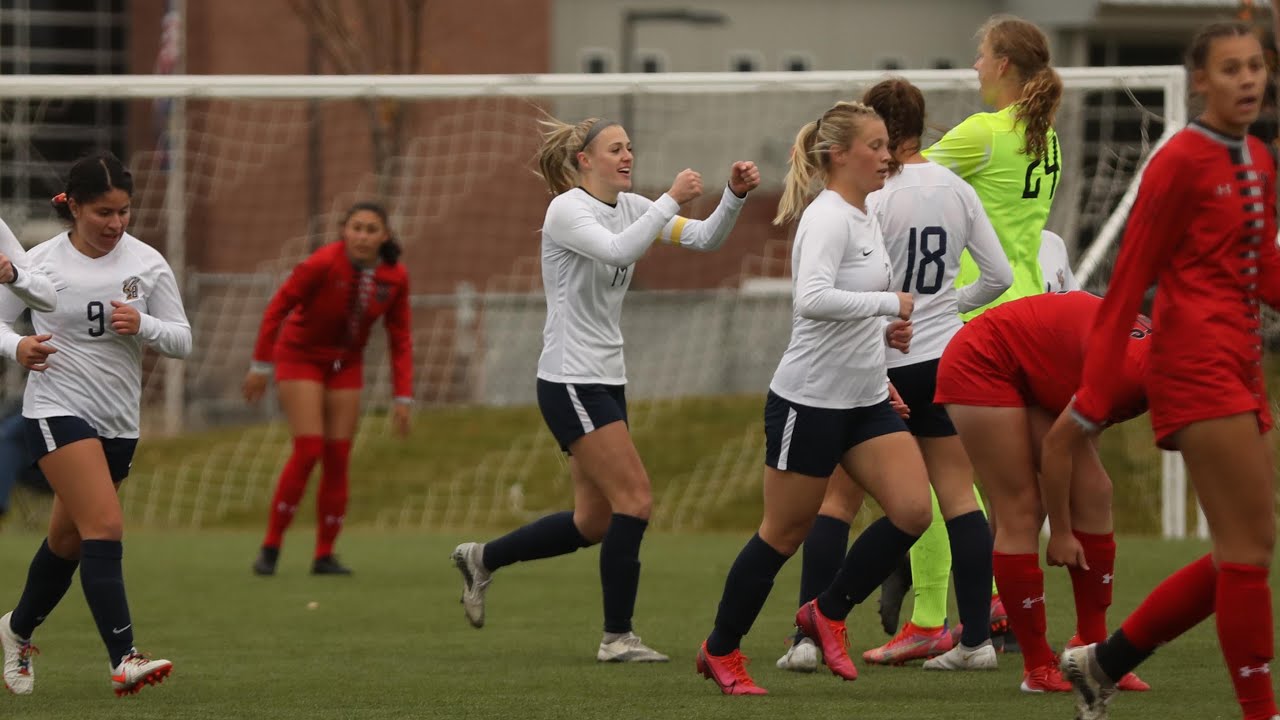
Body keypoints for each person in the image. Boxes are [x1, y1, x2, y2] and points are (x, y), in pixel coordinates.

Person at [450, 115, 760, 663]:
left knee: (593, 522)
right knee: (635, 500)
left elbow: (707, 239)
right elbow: (618, 252)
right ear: (583, 161)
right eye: (614, 149)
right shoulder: (567, 210)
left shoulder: (635, 207)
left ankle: (483, 558)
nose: (626, 156)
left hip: (606, 380)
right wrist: (668, 199)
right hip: (570, 378)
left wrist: (731, 196)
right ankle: (617, 637)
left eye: (629, 147)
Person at [1058, 22, 1278, 720]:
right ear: (1201, 82)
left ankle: (1104, 663)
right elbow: (1128, 282)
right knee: (1247, 554)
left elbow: (1265, 269)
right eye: (1231, 69)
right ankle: (1260, 710)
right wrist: (1096, 390)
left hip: (1243, 363)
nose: (1247, 79)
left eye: (1256, 67)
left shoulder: (1260, 157)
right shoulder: (1179, 160)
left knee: (1247, 547)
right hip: (1193, 365)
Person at [774, 78, 1013, 674]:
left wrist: (902, 312)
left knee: (837, 499)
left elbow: (845, 290)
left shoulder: (871, 199)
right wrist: (947, 306)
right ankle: (978, 640)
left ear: (880, 131)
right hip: (946, 361)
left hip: (880, 362)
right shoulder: (956, 189)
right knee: (960, 497)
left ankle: (809, 635)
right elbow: (998, 276)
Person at [695, 100, 930, 696]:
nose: (885, 155)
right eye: (874, 146)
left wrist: (883, 343)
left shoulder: (866, 213)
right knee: (782, 533)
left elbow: (849, 309)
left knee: (912, 511)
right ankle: (720, 651)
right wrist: (889, 306)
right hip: (810, 402)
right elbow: (812, 300)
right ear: (838, 156)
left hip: (864, 399)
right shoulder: (826, 217)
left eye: (886, 145)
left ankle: (825, 612)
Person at [0, 151, 189, 696]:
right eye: (104, 212)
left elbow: (183, 339)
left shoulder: (147, 262)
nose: (116, 223)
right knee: (104, 526)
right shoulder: (40, 262)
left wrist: (145, 323)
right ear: (75, 207)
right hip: (56, 410)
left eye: (124, 211)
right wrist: (18, 346)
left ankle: (15, 631)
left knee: (69, 541)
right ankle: (124, 657)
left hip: (119, 423)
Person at [933, 290, 1150, 694]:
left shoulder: (1166, 368)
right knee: (1022, 509)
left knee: (1095, 491)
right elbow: (1056, 447)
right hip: (982, 361)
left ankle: (1092, 653)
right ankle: (1036, 667)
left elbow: (1083, 431)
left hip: (1031, 369)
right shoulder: (1133, 373)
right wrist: (1064, 533)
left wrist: (1076, 504)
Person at [245, 202, 413, 577]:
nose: (363, 236)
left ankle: (325, 554)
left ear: (384, 235)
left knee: (339, 456)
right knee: (309, 449)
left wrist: (402, 397)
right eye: (356, 228)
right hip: (299, 356)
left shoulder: (395, 276)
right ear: (343, 230)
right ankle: (270, 547)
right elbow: (279, 307)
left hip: (345, 365)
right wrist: (260, 365)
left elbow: (400, 338)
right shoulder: (321, 263)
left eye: (372, 229)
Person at [924, 14, 1063, 318]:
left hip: (984, 308)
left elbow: (906, 178)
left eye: (981, 56)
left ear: (1003, 65)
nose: (976, 66)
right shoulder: (1047, 135)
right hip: (1029, 300)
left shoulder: (987, 131)